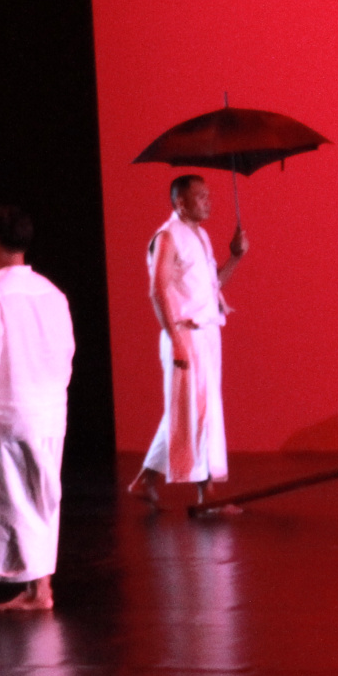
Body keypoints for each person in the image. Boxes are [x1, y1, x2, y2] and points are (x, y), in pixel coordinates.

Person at [0, 205, 75, 613]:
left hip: (8, 413)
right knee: (44, 500)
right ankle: (38, 587)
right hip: (48, 411)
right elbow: (66, 352)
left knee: (14, 503)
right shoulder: (52, 293)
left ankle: (36, 589)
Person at [127, 175, 245, 513]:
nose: (209, 201)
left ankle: (145, 480)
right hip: (185, 333)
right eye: (201, 197)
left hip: (206, 333)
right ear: (180, 203)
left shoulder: (201, 235)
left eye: (208, 195)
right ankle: (206, 495)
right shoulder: (167, 237)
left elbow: (211, 286)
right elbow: (157, 289)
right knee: (199, 411)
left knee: (190, 410)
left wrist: (235, 257)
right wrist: (176, 341)